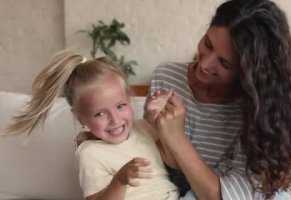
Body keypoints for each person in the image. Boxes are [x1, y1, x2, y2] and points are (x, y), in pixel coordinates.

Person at [144, 0, 291, 200]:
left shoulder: (259, 114)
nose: (204, 64)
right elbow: (153, 160)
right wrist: (156, 130)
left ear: (248, 72)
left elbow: (225, 197)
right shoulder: (167, 77)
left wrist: (176, 137)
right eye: (208, 44)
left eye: (224, 63)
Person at [6, 51, 178, 200]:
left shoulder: (143, 129)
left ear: (129, 101)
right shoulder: (90, 153)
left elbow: (174, 162)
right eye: (100, 113)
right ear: (80, 118)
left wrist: (161, 118)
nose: (115, 119)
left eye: (120, 106)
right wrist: (119, 180)